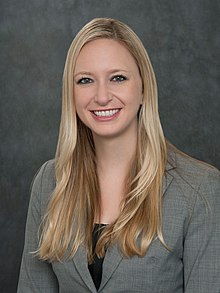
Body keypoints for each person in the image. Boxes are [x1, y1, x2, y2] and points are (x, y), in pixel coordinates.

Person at [17, 18, 220, 293]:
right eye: (86, 80)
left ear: (144, 87)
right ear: (71, 92)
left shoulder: (201, 189)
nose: (102, 96)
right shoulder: (49, 182)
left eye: (118, 78)